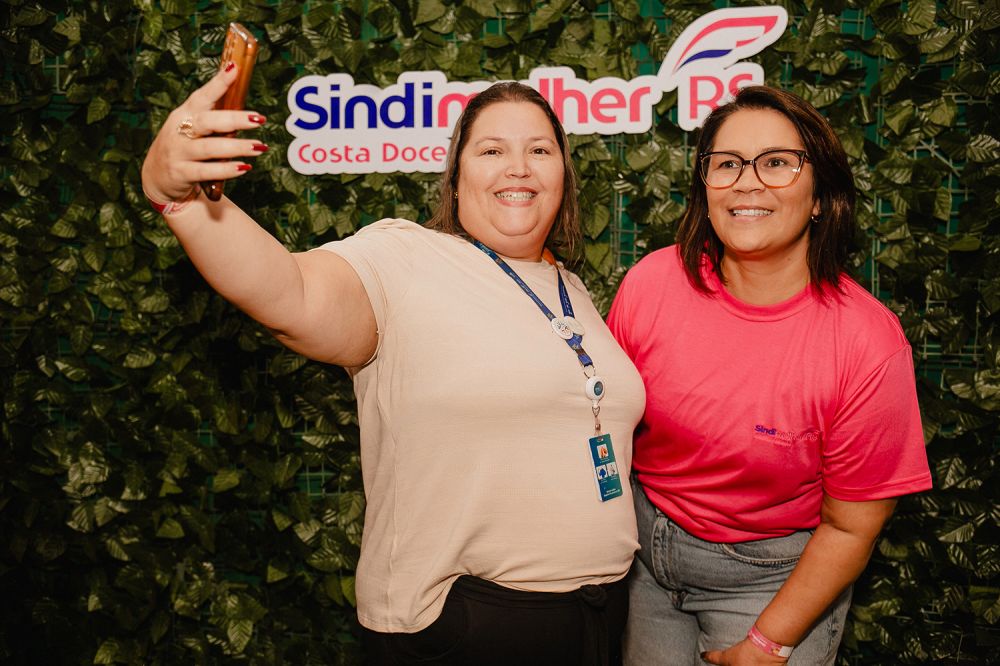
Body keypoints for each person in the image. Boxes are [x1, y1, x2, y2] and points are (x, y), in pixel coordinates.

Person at [141, 63, 646, 665]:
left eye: (539, 150)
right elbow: (291, 293)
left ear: (563, 175)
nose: (518, 167)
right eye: (491, 150)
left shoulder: (571, 290)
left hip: (599, 618)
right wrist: (179, 199)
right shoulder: (405, 259)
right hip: (470, 625)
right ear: (455, 180)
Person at [607, 86, 932, 665]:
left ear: (820, 197)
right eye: (727, 164)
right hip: (643, 560)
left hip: (771, 582)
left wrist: (768, 644)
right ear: (705, 187)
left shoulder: (866, 344)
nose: (747, 182)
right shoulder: (651, 285)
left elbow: (851, 528)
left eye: (777, 163)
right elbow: (602, 429)